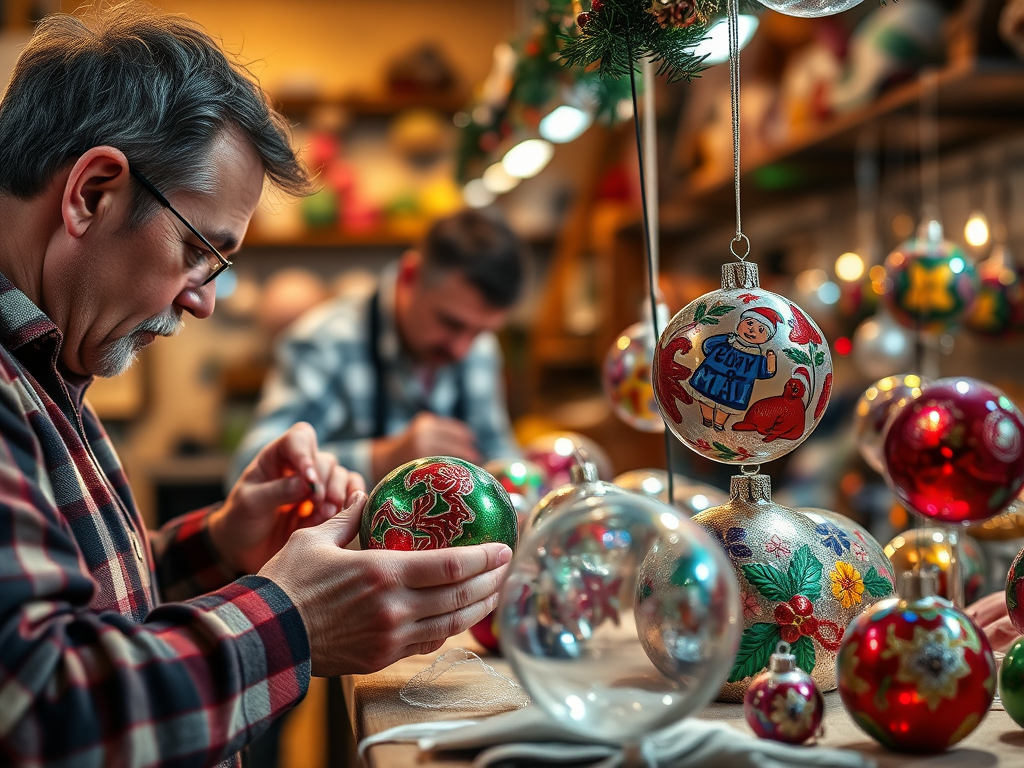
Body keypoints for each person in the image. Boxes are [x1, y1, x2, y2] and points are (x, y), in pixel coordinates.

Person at [0, 7, 510, 767]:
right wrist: (294, 618)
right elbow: (43, 710)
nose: (203, 299)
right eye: (200, 250)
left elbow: (86, 613)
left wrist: (220, 543)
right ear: (92, 194)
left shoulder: (46, 364)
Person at [231, 210, 524, 487]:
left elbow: (498, 453)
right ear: (410, 275)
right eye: (450, 323)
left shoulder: (479, 348)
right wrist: (381, 458)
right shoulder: (326, 343)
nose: (462, 350)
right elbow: (247, 472)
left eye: (480, 331)